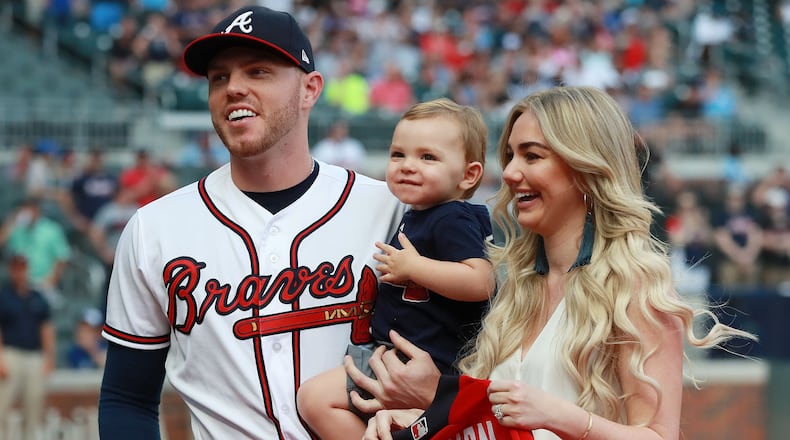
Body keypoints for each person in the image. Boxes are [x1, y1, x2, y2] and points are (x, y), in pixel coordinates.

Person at [347, 87, 755, 440]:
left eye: (532, 155)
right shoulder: (512, 287)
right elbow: (499, 421)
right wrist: (426, 411)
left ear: (584, 167)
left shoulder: (633, 287)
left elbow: (658, 434)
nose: (509, 172)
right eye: (509, 155)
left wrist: (562, 417)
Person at [97, 6, 402, 440]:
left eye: (258, 72)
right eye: (219, 77)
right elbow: (128, 399)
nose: (233, 88)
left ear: (309, 89)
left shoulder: (388, 209)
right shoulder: (154, 229)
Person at [297, 98, 496, 439]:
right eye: (398, 154)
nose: (407, 165)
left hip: (426, 359)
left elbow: (481, 281)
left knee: (314, 399)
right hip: (402, 356)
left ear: (469, 175)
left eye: (427, 157)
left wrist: (414, 266)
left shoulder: (452, 217)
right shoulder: (421, 212)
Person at [0, 254, 56, 440]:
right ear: (11, 270)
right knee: (2, 405)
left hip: (34, 356)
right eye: (16, 268)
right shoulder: (4, 296)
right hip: (10, 353)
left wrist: (49, 358)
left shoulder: (38, 298)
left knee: (34, 406)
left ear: (27, 269)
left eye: (22, 268)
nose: (19, 272)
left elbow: (46, 329)